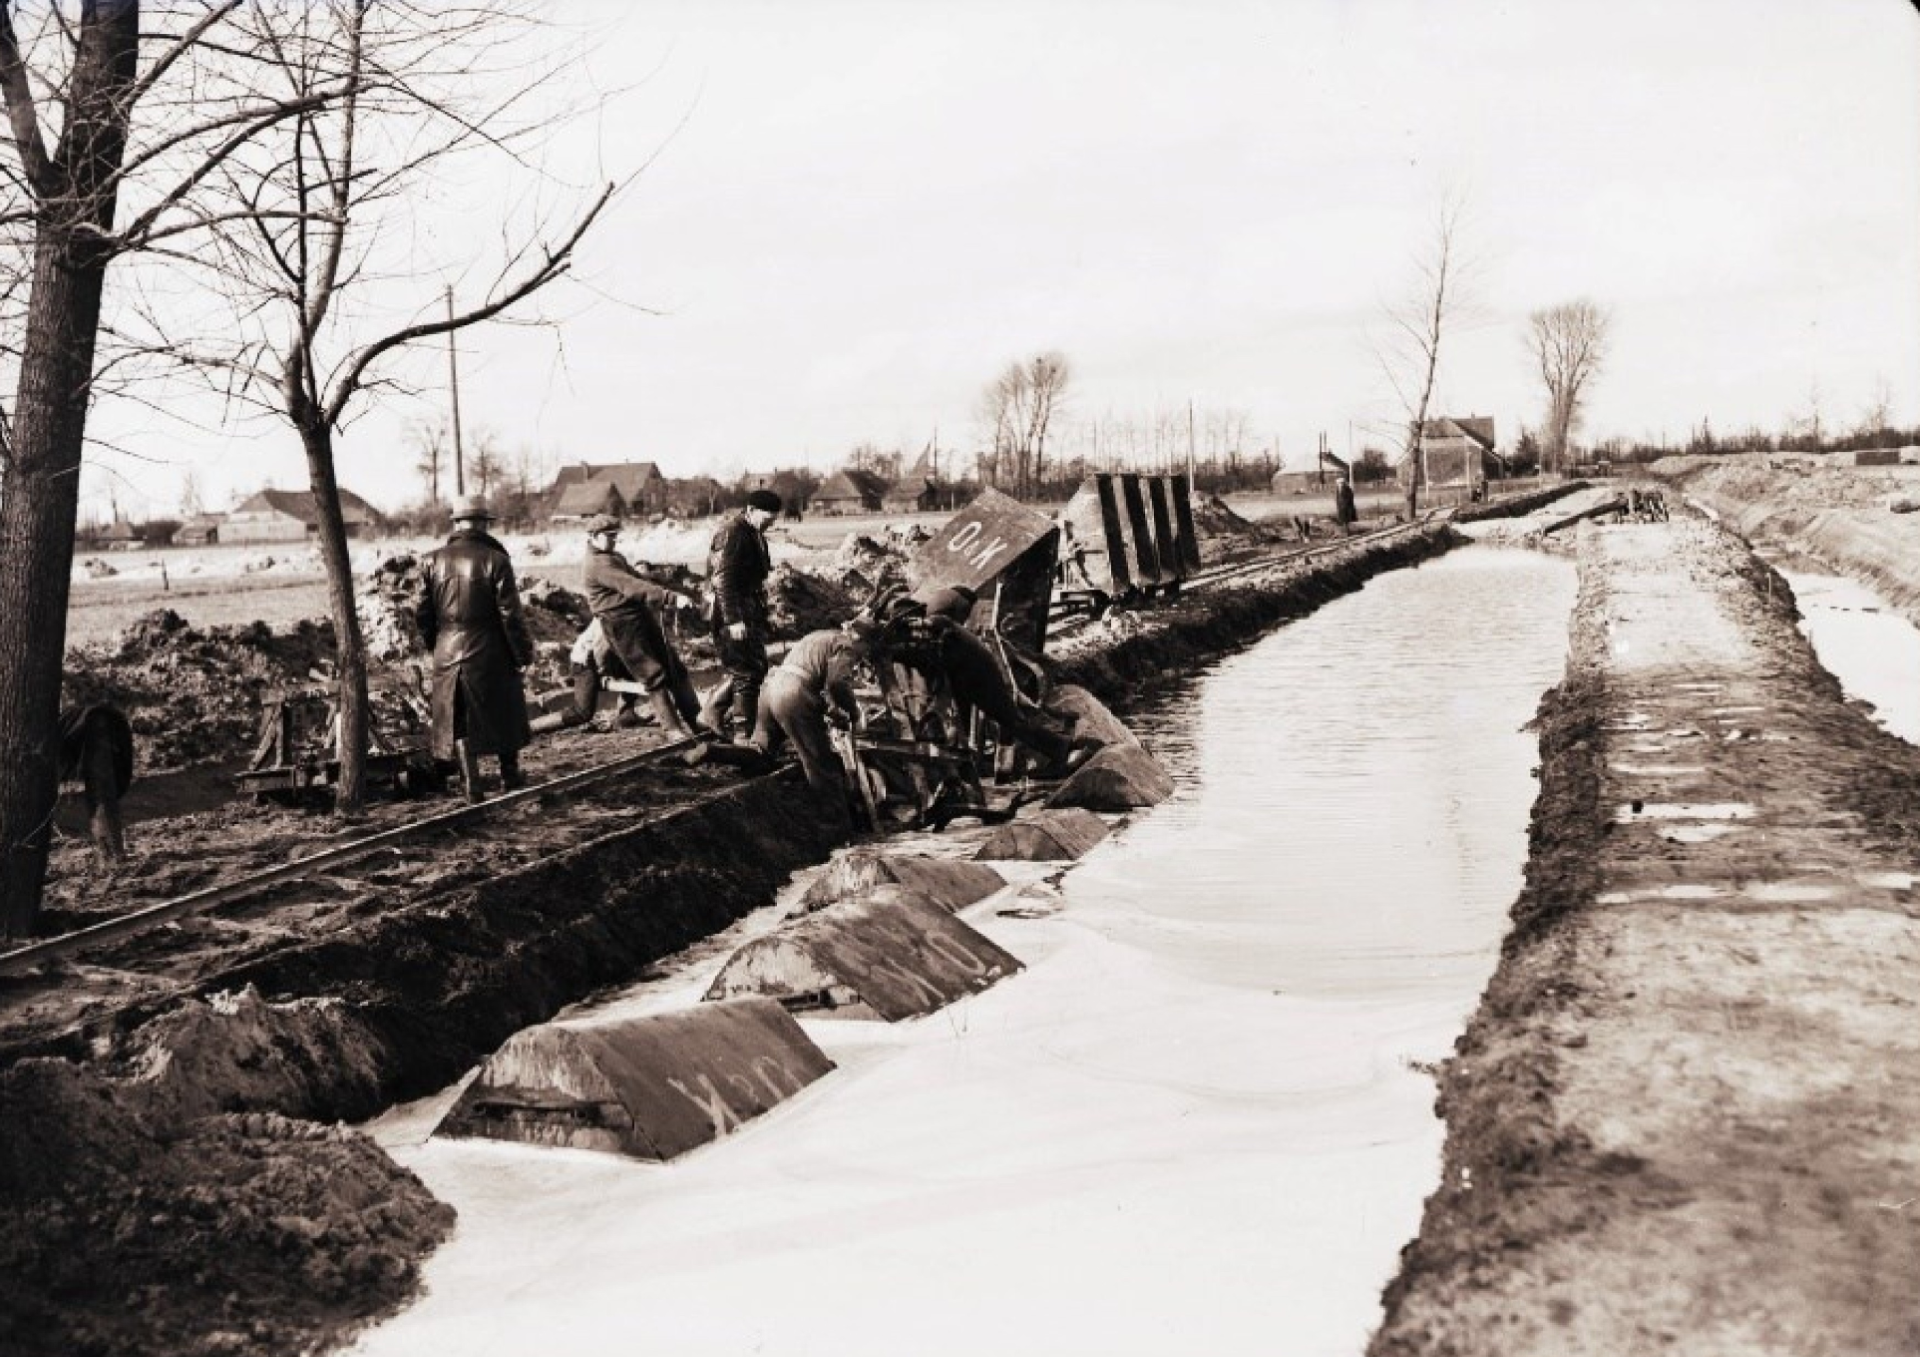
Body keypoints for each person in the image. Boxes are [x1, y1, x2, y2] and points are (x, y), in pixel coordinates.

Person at [881, 584, 1082, 772]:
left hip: (979, 674)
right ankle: (966, 765)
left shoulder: (937, 623)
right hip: (964, 675)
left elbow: (931, 656)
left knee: (1011, 720)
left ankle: (1062, 748)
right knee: (966, 722)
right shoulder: (935, 625)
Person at [415, 493, 533, 798]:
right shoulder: (496, 560)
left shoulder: (431, 560)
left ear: (456, 523)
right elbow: (512, 616)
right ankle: (510, 775)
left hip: (447, 647)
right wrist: (522, 653)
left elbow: (423, 615)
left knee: (458, 718)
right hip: (490, 648)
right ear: (483, 524)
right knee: (503, 710)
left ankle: (472, 784)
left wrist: (436, 645)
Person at [580, 513, 709, 739]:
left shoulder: (613, 556)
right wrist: (669, 597)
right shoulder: (596, 564)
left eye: (615, 536)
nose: (613, 540)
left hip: (639, 616)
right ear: (592, 536)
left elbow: (640, 581)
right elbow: (630, 586)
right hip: (620, 623)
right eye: (608, 536)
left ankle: (698, 721)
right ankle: (673, 729)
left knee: (675, 668)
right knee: (653, 674)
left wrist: (667, 589)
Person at [750, 621, 873, 802]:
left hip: (771, 687)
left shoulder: (820, 635)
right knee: (821, 765)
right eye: (866, 649)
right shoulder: (846, 645)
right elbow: (837, 683)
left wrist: (833, 710)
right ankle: (833, 825)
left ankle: (716, 755)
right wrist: (854, 712)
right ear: (860, 639)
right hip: (792, 693)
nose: (863, 656)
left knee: (760, 752)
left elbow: (817, 678)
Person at [700, 488, 781, 737]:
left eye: (773, 520)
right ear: (751, 511)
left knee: (754, 669)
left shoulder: (753, 532)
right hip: (731, 613)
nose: (769, 524)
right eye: (766, 519)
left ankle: (712, 712)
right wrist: (733, 620)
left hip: (747, 609)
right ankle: (742, 734)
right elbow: (722, 580)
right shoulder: (733, 533)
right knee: (746, 672)